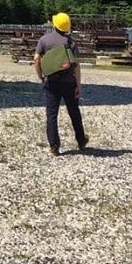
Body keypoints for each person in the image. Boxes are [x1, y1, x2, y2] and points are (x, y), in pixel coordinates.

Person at [34, 12, 89, 156]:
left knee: (52, 114)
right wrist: (78, 84)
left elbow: (36, 59)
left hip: (52, 82)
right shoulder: (71, 42)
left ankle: (54, 146)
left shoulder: (44, 40)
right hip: (69, 82)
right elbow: (76, 65)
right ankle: (81, 140)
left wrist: (41, 76)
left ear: (54, 25)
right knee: (74, 112)